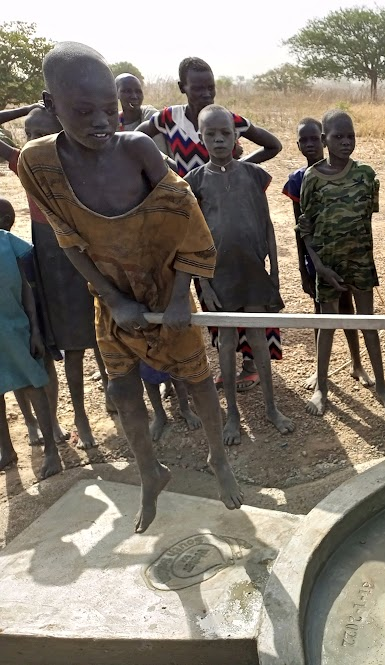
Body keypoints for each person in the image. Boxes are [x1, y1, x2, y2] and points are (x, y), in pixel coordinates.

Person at [18, 42, 242, 533]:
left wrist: (181, 293)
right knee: (122, 386)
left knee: (197, 379)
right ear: (50, 104)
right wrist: (114, 298)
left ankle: (217, 459)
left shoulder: (138, 148)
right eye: (84, 111)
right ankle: (149, 470)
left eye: (109, 108)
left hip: (165, 284)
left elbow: (186, 220)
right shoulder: (38, 164)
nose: (102, 121)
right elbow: (67, 239)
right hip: (110, 294)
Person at [137, 56, 283, 393]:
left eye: (210, 87)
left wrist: (243, 168)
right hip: (195, 204)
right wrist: (166, 169)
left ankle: (252, 364)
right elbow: (135, 141)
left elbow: (272, 144)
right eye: (197, 87)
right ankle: (226, 363)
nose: (205, 93)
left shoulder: (227, 119)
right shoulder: (167, 118)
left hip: (232, 200)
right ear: (182, 88)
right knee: (215, 296)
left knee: (251, 294)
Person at [1, 105, 110, 449]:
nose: (34, 140)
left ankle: (115, 397)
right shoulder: (24, 163)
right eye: (28, 134)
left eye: (42, 132)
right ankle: (80, 415)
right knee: (73, 346)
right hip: (52, 261)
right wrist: (27, 107)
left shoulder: (76, 160)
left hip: (87, 253)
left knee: (104, 337)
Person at [185, 105, 294, 444]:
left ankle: (271, 408)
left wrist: (275, 271)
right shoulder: (195, 182)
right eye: (211, 135)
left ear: (236, 137)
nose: (219, 140)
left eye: (226, 134)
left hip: (253, 273)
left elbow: (267, 225)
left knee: (259, 340)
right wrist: (204, 285)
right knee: (227, 343)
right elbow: (192, 238)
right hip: (219, 279)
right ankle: (232, 415)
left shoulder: (252, 175)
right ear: (201, 138)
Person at [299, 110, 385, 417]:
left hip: (360, 263)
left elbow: (365, 219)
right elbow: (306, 228)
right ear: (324, 140)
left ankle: (381, 385)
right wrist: (318, 266)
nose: (346, 143)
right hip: (326, 265)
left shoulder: (366, 175)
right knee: (327, 325)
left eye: (350, 136)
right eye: (338, 137)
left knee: (367, 323)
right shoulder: (312, 179)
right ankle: (322, 387)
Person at [284, 117, 373, 392]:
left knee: (347, 307)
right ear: (298, 144)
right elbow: (300, 226)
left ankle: (357, 362)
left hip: (344, 255)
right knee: (322, 313)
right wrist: (304, 268)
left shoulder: (352, 174)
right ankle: (320, 374)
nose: (310, 145)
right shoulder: (300, 179)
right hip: (317, 258)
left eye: (314, 139)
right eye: (304, 140)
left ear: (323, 140)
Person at [0, 197, 63, 479]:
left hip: (15, 328)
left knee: (33, 385)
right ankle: (7, 450)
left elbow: (27, 287)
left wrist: (36, 329)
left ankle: (52, 450)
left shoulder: (7, 242)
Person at [116, 73, 166, 154]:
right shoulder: (114, 123)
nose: (134, 96)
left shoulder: (150, 116)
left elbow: (159, 155)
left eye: (138, 91)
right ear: (116, 94)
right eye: (127, 91)